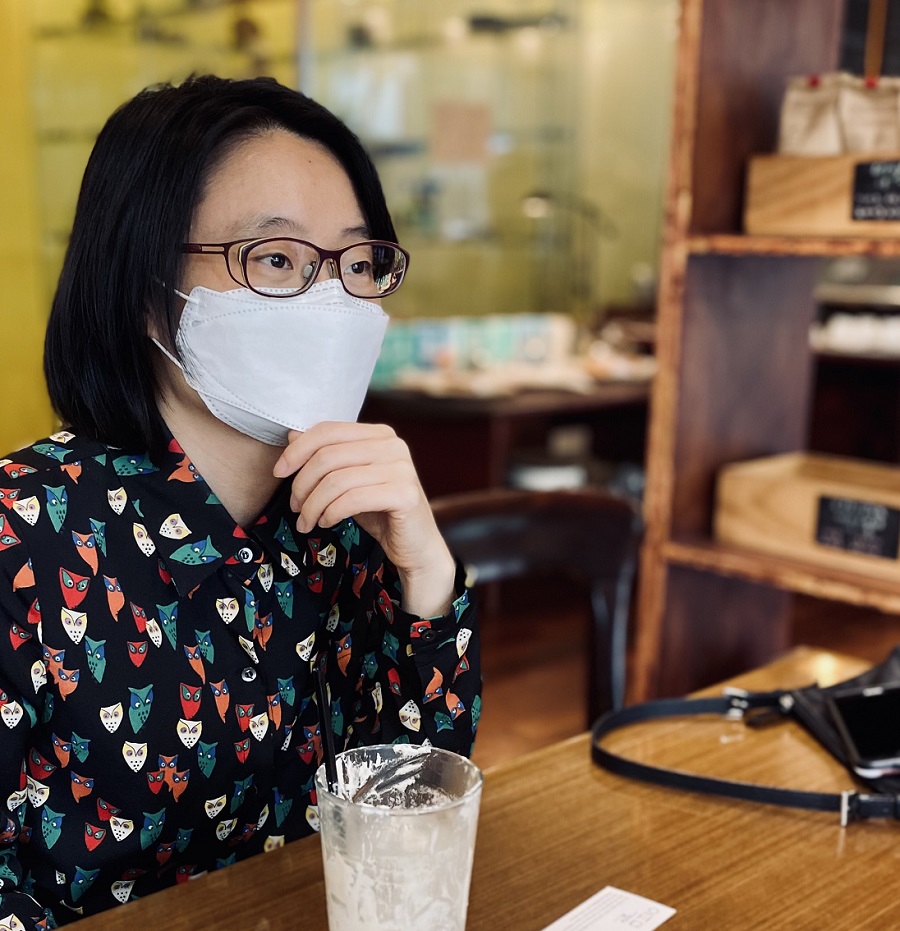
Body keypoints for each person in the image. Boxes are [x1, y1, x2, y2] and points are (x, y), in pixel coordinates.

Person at [0, 74, 480, 926]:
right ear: (145, 288)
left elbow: (414, 813)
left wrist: (427, 574)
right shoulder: (22, 538)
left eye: (357, 263)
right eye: (277, 259)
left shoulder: (339, 521)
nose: (332, 301)